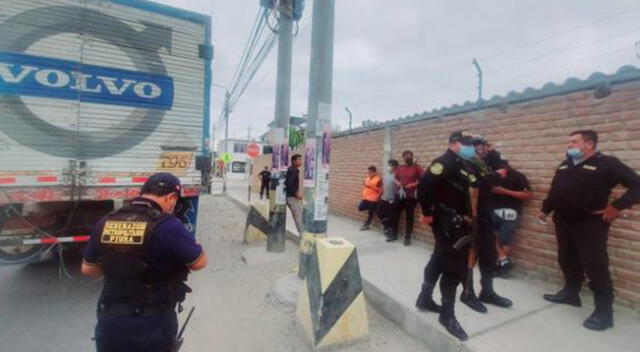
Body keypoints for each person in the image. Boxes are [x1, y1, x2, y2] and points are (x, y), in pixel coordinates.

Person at [81, 173, 208, 351]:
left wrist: (120, 267)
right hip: (152, 324)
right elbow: (199, 262)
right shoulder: (168, 226)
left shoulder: (106, 221)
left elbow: (88, 269)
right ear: (171, 198)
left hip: (110, 319)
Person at [539, 130, 640, 331]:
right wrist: (545, 209)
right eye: (569, 142)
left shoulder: (607, 163)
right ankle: (571, 294)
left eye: (574, 142)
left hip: (590, 224)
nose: (569, 145)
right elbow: (556, 189)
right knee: (567, 260)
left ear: (589, 144)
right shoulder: (565, 163)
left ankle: (604, 313)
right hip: (563, 221)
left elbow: (637, 185)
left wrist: (617, 206)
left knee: (596, 267)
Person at [415, 131, 501, 341]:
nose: (471, 147)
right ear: (454, 144)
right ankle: (447, 315)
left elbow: (477, 181)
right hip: (447, 222)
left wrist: (496, 172)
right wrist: (427, 214)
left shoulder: (462, 164)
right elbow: (424, 187)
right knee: (454, 267)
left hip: (456, 222)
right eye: (467, 144)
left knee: (438, 258)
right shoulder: (444, 162)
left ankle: (424, 299)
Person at [458, 137, 513, 314]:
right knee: (471, 253)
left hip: (487, 213)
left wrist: (495, 155)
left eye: (484, 147)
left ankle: (487, 292)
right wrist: (472, 216)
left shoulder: (484, 163)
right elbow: (474, 187)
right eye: (478, 147)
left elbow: (503, 169)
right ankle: (468, 292)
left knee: (488, 254)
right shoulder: (466, 164)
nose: (482, 150)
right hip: (472, 215)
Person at [490, 159, 534, 277]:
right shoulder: (491, 176)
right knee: (491, 237)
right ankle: (503, 261)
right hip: (491, 211)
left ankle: (500, 265)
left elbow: (527, 195)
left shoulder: (518, 177)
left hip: (510, 213)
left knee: (505, 239)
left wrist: (503, 191)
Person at [395, 150, 424, 246]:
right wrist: (398, 183)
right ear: (403, 157)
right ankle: (394, 234)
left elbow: (423, 179)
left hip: (411, 197)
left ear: (412, 157)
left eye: (410, 155)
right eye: (406, 156)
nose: (408, 157)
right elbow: (395, 178)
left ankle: (407, 237)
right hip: (400, 195)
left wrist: (413, 184)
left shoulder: (417, 167)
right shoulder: (400, 168)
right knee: (395, 214)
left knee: (409, 217)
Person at [378, 160, 401, 240]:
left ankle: (393, 236)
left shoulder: (398, 175)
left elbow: (401, 186)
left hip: (393, 199)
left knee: (393, 218)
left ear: (394, 166)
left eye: (389, 165)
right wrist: (379, 195)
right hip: (384, 198)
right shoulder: (387, 175)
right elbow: (383, 186)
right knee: (379, 211)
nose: (388, 167)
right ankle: (387, 227)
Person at [359, 166, 382, 230]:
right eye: (368, 172)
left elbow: (380, 190)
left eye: (370, 172)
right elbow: (365, 185)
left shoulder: (378, 179)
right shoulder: (367, 178)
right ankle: (374, 208)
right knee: (360, 207)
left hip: (373, 199)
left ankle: (366, 225)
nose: (369, 174)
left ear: (375, 172)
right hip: (366, 198)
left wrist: (370, 186)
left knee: (370, 213)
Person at [285, 154, 304, 235]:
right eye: (299, 159)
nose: (301, 161)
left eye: (301, 159)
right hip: (292, 197)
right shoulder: (293, 170)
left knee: (299, 215)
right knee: (298, 217)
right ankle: (303, 236)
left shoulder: (292, 169)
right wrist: (296, 194)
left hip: (291, 196)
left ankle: (303, 234)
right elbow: (289, 184)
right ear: (294, 161)